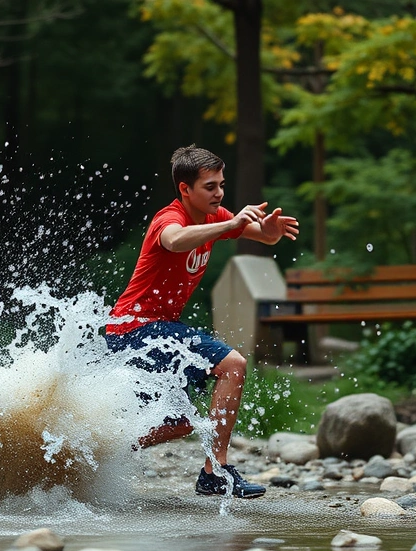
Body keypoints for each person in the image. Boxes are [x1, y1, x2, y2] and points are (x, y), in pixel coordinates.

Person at [105, 145, 298, 498]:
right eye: (210, 186)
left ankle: (97, 455)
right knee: (233, 364)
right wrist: (231, 222)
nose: (220, 193)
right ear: (185, 189)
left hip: (147, 333)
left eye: (221, 184)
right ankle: (216, 472)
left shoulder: (214, 216)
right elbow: (175, 241)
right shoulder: (169, 218)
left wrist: (269, 230)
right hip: (136, 329)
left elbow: (265, 236)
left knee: (176, 424)